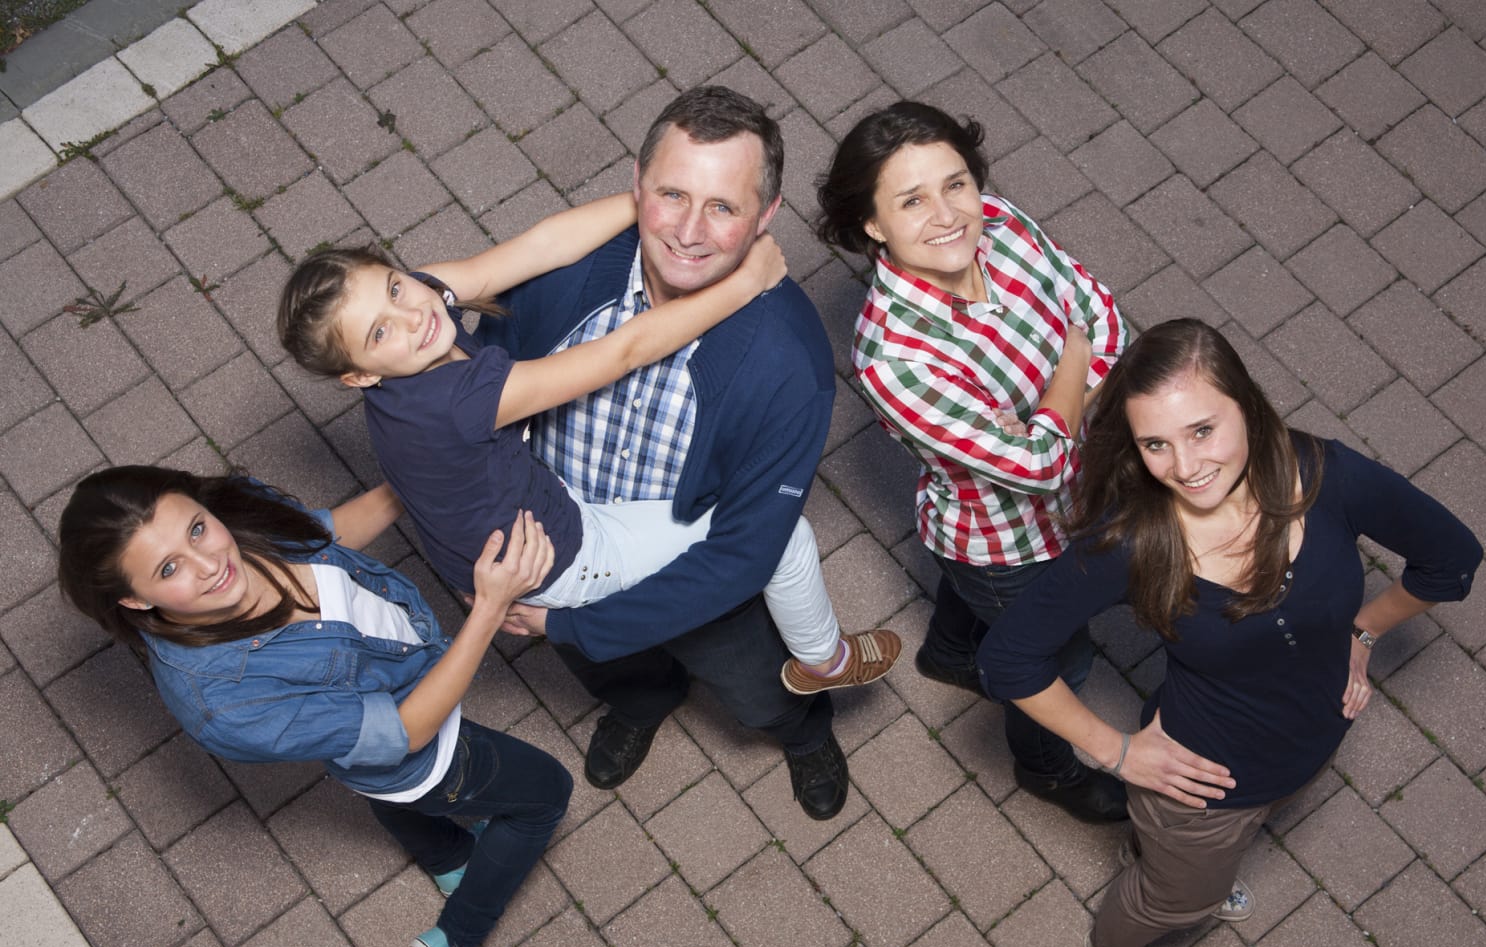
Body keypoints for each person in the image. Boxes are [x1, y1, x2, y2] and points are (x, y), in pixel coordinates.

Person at [978, 319, 1481, 947]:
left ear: (1245, 404)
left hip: (1310, 742)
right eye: (1155, 444)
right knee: (1174, 898)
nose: (1184, 466)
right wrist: (1116, 752)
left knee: (1196, 865)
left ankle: (1167, 865)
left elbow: (1451, 560)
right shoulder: (1130, 543)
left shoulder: (1325, 474)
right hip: (1201, 788)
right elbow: (1008, 658)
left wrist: (1363, 631)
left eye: (1202, 430)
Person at [278, 203, 897, 699]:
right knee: (786, 539)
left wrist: (652, 202)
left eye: (393, 286)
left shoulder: (419, 305)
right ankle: (824, 661)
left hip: (511, 524)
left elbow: (540, 246)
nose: (411, 315)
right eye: (379, 331)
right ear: (359, 376)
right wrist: (747, 282)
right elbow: (622, 352)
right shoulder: (454, 400)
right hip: (561, 557)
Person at [457, 85, 856, 820]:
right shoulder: (557, 278)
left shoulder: (791, 361)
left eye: (723, 207)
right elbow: (478, 403)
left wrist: (564, 626)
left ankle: (802, 733)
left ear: (766, 216)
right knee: (614, 670)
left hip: (693, 566)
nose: (690, 232)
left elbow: (741, 555)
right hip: (565, 544)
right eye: (673, 194)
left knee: (756, 687)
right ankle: (642, 703)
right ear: (636, 184)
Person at [57, 466, 574, 947]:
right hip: (421, 749)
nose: (211, 564)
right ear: (134, 600)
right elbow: (406, 732)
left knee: (383, 791)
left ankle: (451, 860)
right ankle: (459, 935)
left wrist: (423, 469)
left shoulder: (237, 512)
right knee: (546, 793)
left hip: (366, 742)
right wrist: (489, 609)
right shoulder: (222, 705)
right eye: (169, 569)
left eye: (197, 529)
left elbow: (323, 534)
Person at [814, 100, 1129, 824]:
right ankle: (1047, 770)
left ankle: (951, 654)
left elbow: (1104, 313)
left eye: (955, 184)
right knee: (1058, 665)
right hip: (1007, 543)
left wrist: (1054, 409)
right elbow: (1040, 467)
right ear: (872, 224)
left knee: (980, 606)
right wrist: (1073, 357)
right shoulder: (893, 358)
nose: (949, 214)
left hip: (1080, 490)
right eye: (911, 200)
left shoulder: (999, 222)